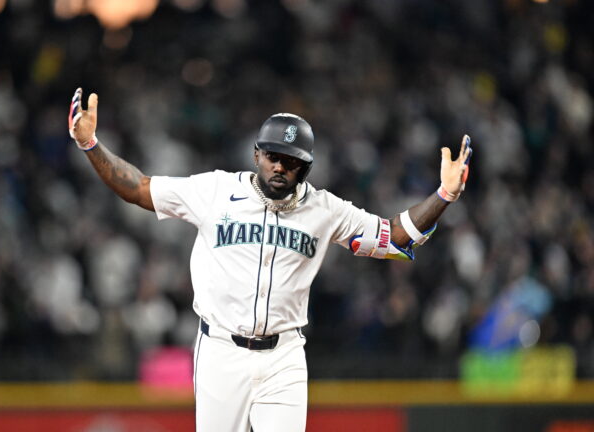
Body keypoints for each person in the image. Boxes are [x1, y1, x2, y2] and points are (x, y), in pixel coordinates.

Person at [68, 87, 472, 432]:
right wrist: (90, 144)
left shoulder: (325, 210)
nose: (280, 165)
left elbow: (394, 237)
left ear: (306, 166)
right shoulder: (215, 192)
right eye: (273, 155)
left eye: (291, 159)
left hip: (284, 356)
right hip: (221, 350)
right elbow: (139, 188)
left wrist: (444, 196)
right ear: (256, 154)